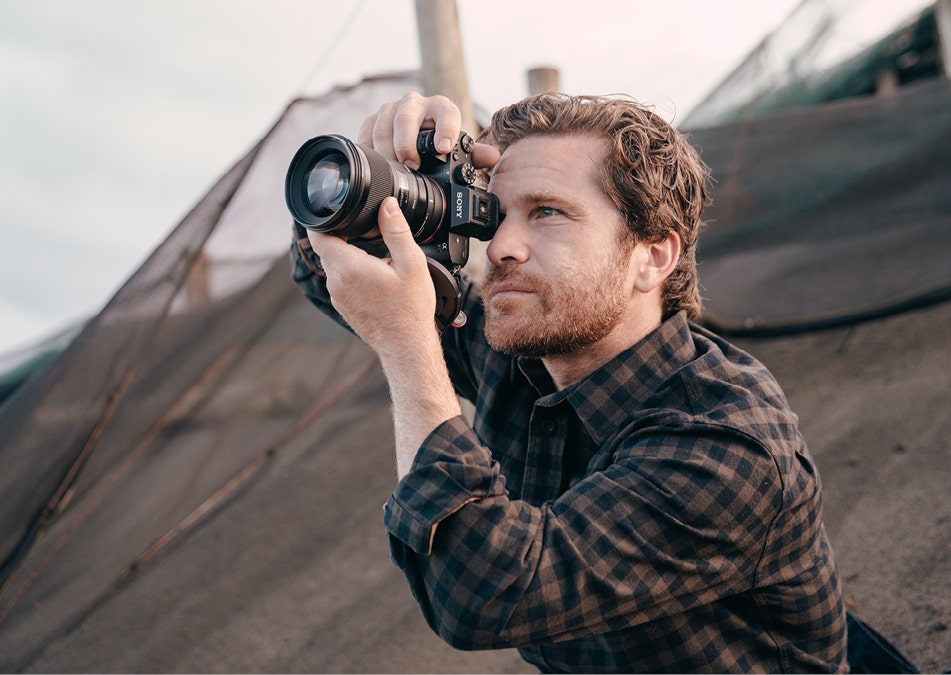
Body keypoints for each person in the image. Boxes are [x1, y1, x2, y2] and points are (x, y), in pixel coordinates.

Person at [291, 91, 848, 673]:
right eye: (496, 215)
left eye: (547, 213)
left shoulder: (727, 441)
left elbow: (481, 593)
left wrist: (407, 344)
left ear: (651, 257)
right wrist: (377, 182)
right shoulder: (528, 351)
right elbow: (319, 275)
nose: (502, 247)